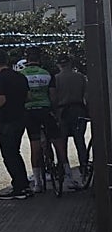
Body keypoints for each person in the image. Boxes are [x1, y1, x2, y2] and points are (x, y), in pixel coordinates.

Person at [20, 47, 69, 194]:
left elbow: (23, 96)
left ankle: (37, 183)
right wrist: (54, 112)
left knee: (35, 147)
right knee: (58, 143)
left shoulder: (22, 75)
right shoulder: (47, 74)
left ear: (27, 60)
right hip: (46, 111)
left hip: (30, 112)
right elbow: (53, 96)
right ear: (39, 59)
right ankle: (69, 176)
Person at [0, 49, 31, 199]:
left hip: (6, 120)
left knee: (9, 155)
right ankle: (24, 185)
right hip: (21, 118)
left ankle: (19, 187)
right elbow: (28, 96)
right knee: (16, 152)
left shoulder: (0, 79)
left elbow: (1, 100)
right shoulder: (20, 77)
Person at [52, 56, 89, 190]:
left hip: (62, 112)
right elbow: (87, 96)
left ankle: (65, 171)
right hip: (78, 110)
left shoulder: (56, 79)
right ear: (70, 64)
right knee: (80, 141)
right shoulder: (80, 77)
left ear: (59, 65)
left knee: (62, 143)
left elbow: (54, 98)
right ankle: (84, 168)